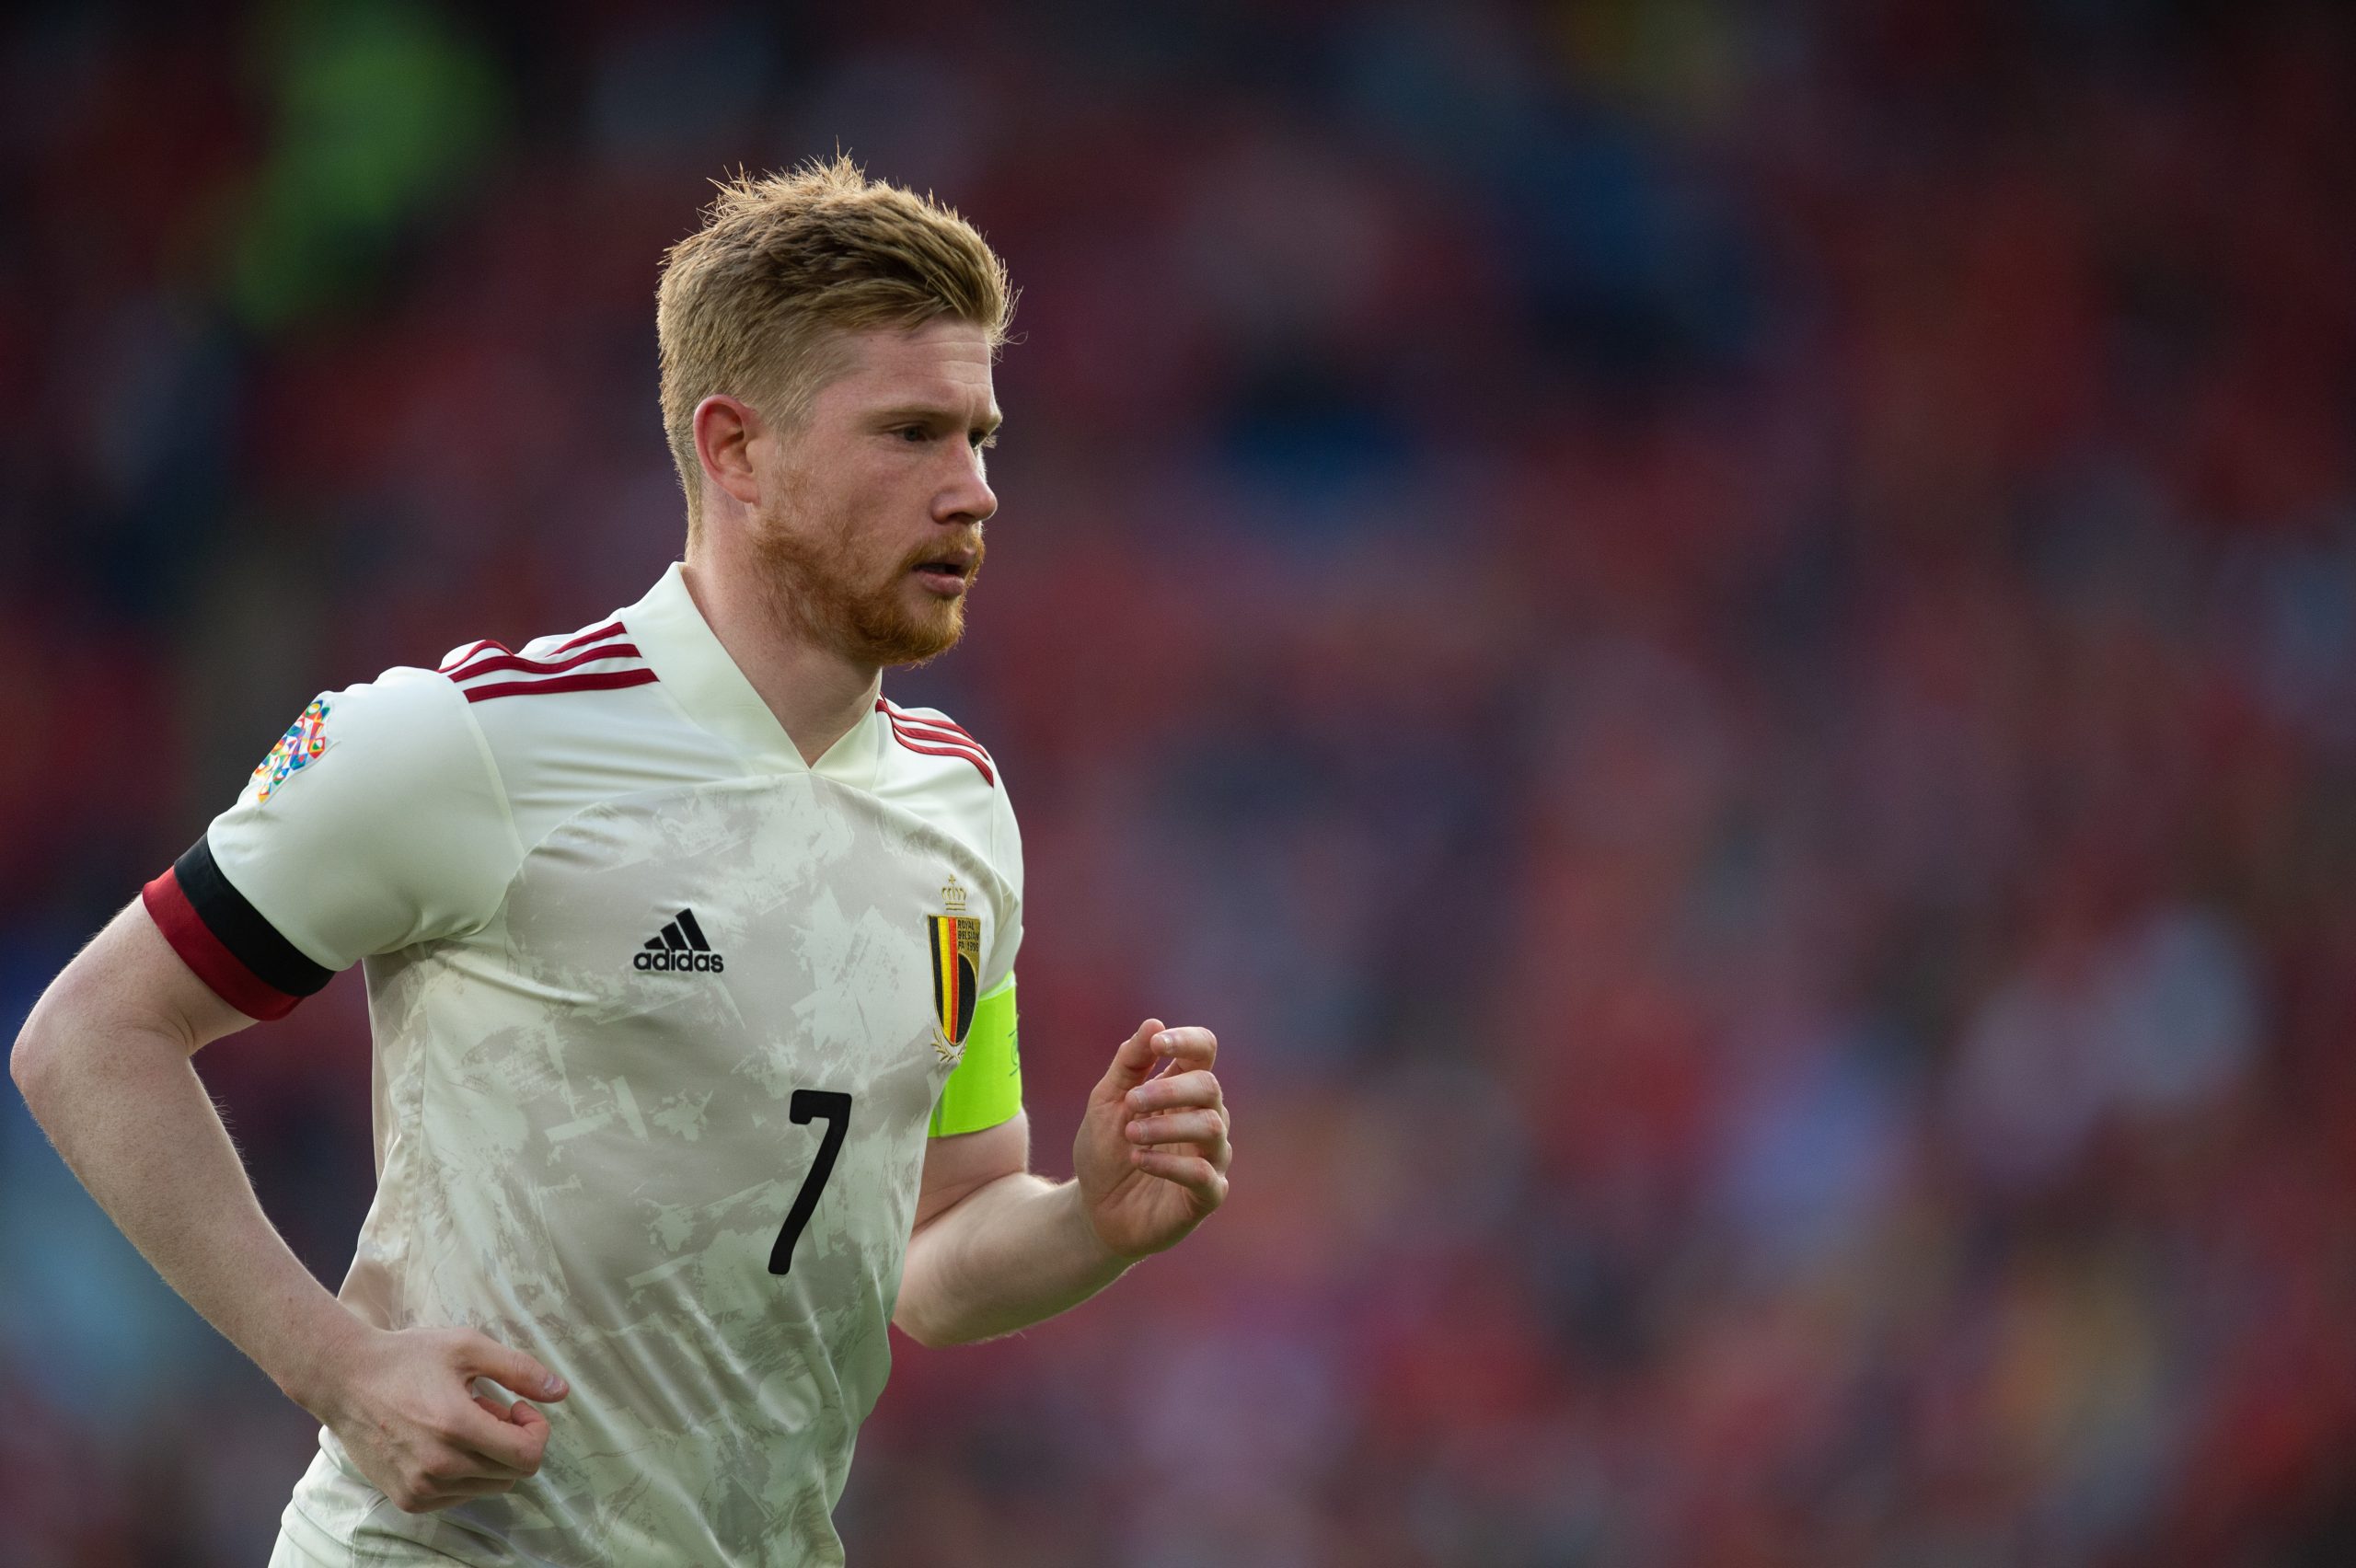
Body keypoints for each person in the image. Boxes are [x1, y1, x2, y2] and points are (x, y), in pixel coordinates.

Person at [8, 156, 1233, 1566]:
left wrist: (1093, 1220)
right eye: (911, 435)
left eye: (982, 436)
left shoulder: (960, 809)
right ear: (736, 451)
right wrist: (337, 1368)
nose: (972, 493)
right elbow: (90, 1034)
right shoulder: (460, 743)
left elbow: (938, 1250)